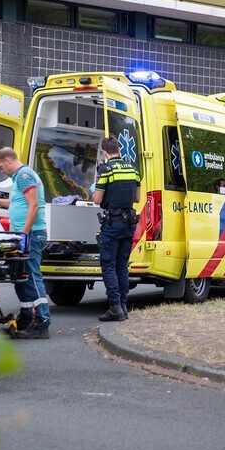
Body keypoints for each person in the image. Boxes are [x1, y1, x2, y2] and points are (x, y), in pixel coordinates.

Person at [0, 147, 51, 338]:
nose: (1, 170)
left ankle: (42, 322)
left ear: (8, 159)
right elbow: (16, 204)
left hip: (31, 235)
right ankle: (26, 316)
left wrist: (23, 234)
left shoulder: (24, 175)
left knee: (32, 275)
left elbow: (34, 204)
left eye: (1, 166)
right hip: (24, 235)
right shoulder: (19, 179)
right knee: (21, 277)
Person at [92, 136, 141, 322]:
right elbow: (137, 198)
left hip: (112, 224)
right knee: (122, 265)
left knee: (108, 265)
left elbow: (97, 199)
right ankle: (123, 305)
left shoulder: (105, 170)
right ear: (119, 149)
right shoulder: (133, 169)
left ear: (105, 152)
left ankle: (114, 308)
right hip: (129, 224)